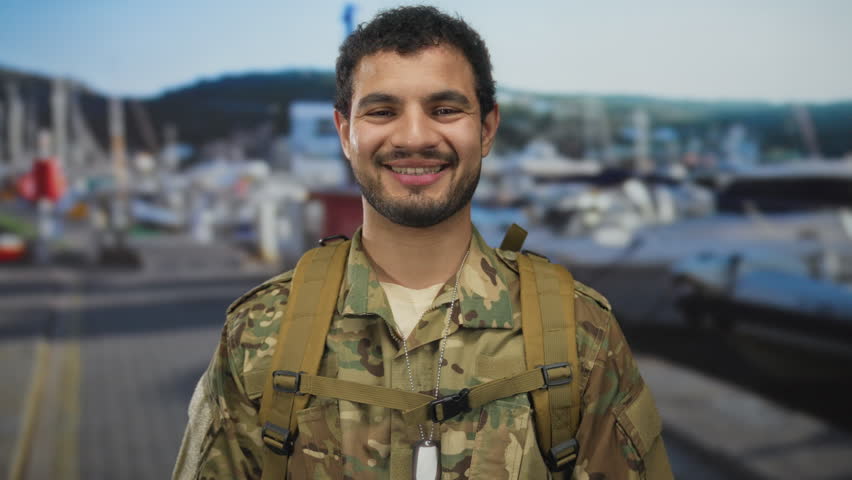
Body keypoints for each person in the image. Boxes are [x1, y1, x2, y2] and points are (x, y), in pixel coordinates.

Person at [173, 5, 673, 479]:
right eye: (383, 111)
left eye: (445, 108)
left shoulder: (581, 333)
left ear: (488, 128)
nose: (414, 136)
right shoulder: (261, 333)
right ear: (345, 132)